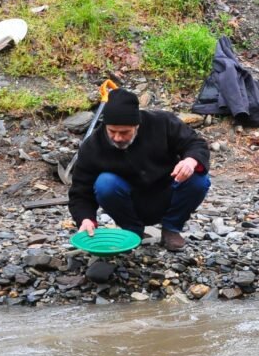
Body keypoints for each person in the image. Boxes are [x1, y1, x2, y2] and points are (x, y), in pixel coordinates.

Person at [68, 89, 211, 251]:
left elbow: (196, 144)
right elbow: (80, 192)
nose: (117, 138)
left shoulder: (162, 122)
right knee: (105, 183)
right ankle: (132, 232)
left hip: (167, 193)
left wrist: (190, 161)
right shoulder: (93, 145)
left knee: (199, 179)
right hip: (128, 201)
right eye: (112, 131)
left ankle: (171, 228)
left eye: (124, 132)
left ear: (137, 125)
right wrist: (85, 219)